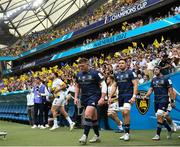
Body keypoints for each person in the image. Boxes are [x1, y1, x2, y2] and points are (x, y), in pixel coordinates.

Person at [74, 58, 107, 145]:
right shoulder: (78, 74)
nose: (81, 67)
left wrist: (102, 98)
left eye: (83, 65)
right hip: (84, 97)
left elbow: (104, 84)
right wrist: (76, 97)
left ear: (87, 64)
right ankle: (97, 136)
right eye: (79, 66)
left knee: (87, 114)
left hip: (94, 96)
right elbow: (77, 86)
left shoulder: (95, 73)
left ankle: (84, 136)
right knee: (93, 117)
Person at [109, 58, 138, 141]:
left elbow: (135, 84)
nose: (120, 64)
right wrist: (110, 96)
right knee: (123, 114)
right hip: (120, 96)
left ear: (126, 64)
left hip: (128, 95)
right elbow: (114, 85)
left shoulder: (131, 72)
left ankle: (127, 134)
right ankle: (126, 132)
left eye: (122, 63)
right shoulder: (116, 74)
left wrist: (134, 96)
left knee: (126, 112)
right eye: (119, 63)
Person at [144, 66, 175, 140]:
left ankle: (157, 135)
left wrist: (172, 101)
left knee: (159, 114)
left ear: (160, 70)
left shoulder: (166, 78)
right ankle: (169, 129)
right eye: (154, 70)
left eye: (157, 69)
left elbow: (170, 91)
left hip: (164, 99)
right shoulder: (153, 80)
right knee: (159, 117)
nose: (155, 71)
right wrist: (146, 95)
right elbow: (151, 89)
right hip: (156, 100)